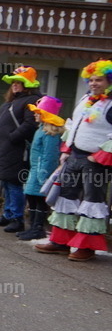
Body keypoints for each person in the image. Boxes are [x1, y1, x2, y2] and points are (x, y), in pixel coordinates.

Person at [34, 61, 112, 262]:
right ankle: (60, 242)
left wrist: (99, 156)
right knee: (66, 197)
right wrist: (67, 149)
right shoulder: (86, 99)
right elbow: (73, 125)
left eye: (99, 80)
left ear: (109, 81)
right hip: (74, 156)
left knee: (93, 201)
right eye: (91, 80)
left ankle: (87, 246)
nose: (94, 83)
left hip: (95, 161)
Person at [0, 66, 41, 235]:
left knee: (14, 183)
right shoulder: (14, 100)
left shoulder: (31, 100)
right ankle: (8, 214)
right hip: (5, 148)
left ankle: (17, 218)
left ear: (28, 84)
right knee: (6, 182)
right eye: (13, 82)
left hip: (16, 149)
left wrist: (13, 137)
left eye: (19, 82)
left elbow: (30, 124)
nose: (14, 85)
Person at [17, 96, 65, 241]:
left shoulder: (49, 133)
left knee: (39, 199)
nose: (35, 114)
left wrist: (43, 175)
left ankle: (38, 228)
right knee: (31, 197)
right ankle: (33, 227)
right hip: (36, 170)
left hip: (41, 172)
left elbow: (49, 156)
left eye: (38, 112)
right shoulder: (41, 130)